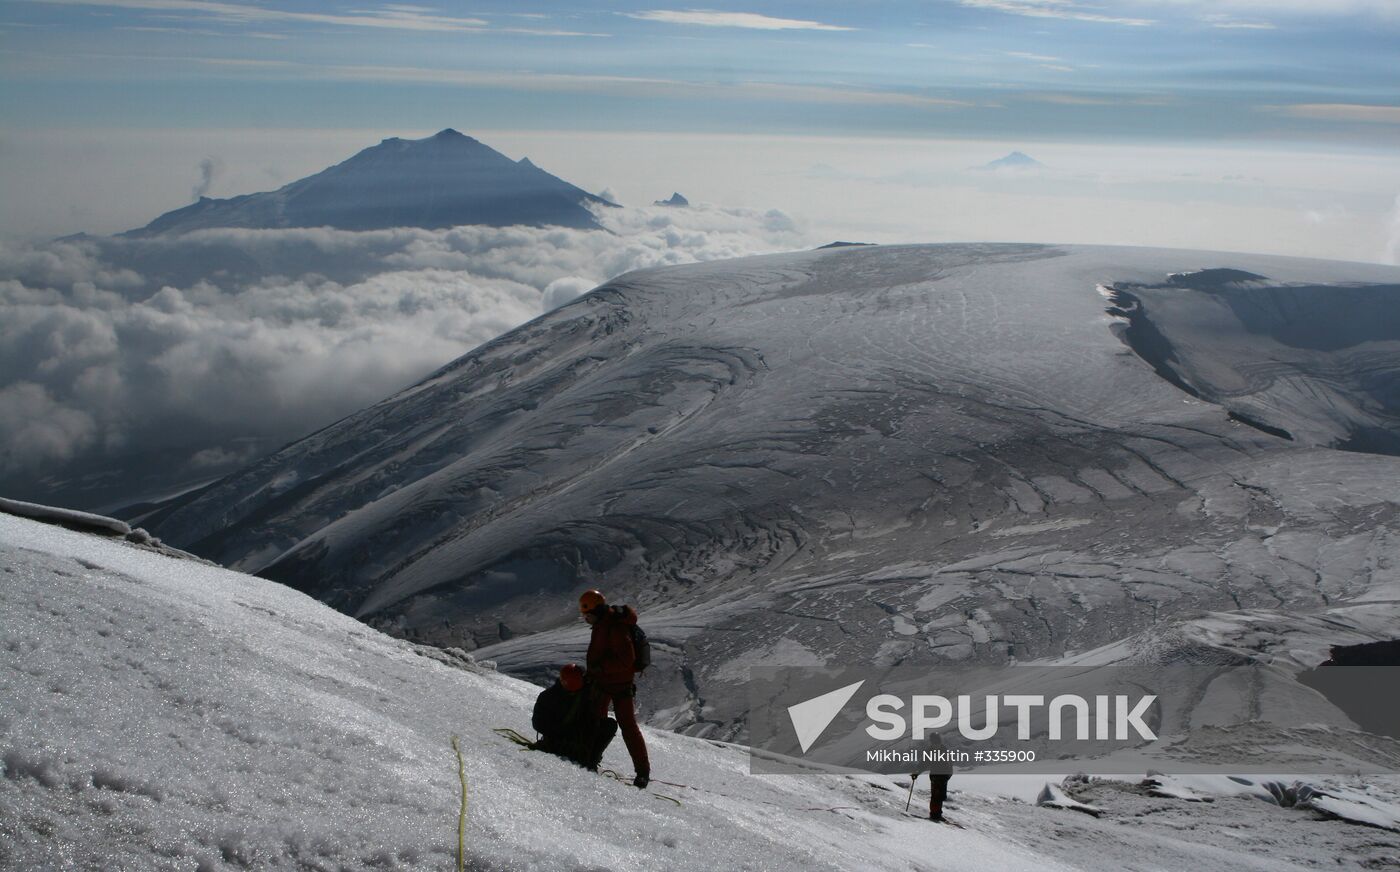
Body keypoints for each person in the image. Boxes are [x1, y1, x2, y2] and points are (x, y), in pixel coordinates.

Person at [579, 588, 651, 788]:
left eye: (586, 616)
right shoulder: (605, 624)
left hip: (612, 685)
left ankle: (641, 772)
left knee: (613, 724)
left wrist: (599, 668)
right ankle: (641, 771)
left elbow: (626, 660)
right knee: (620, 725)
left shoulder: (613, 627)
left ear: (593, 612)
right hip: (612, 684)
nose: (585, 620)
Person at [531, 663, 617, 770]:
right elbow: (538, 723)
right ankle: (588, 759)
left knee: (609, 725)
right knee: (607, 725)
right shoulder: (549, 697)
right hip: (558, 741)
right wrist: (563, 732)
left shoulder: (585, 694)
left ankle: (590, 760)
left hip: (576, 737)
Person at [914, 732, 956, 821]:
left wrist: (948, 775)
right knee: (936, 796)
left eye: (937, 742)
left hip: (943, 776)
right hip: (936, 776)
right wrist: (917, 773)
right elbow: (924, 764)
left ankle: (937, 813)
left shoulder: (942, 750)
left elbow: (949, 764)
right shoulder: (934, 751)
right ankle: (935, 814)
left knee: (940, 796)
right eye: (934, 742)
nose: (935, 744)